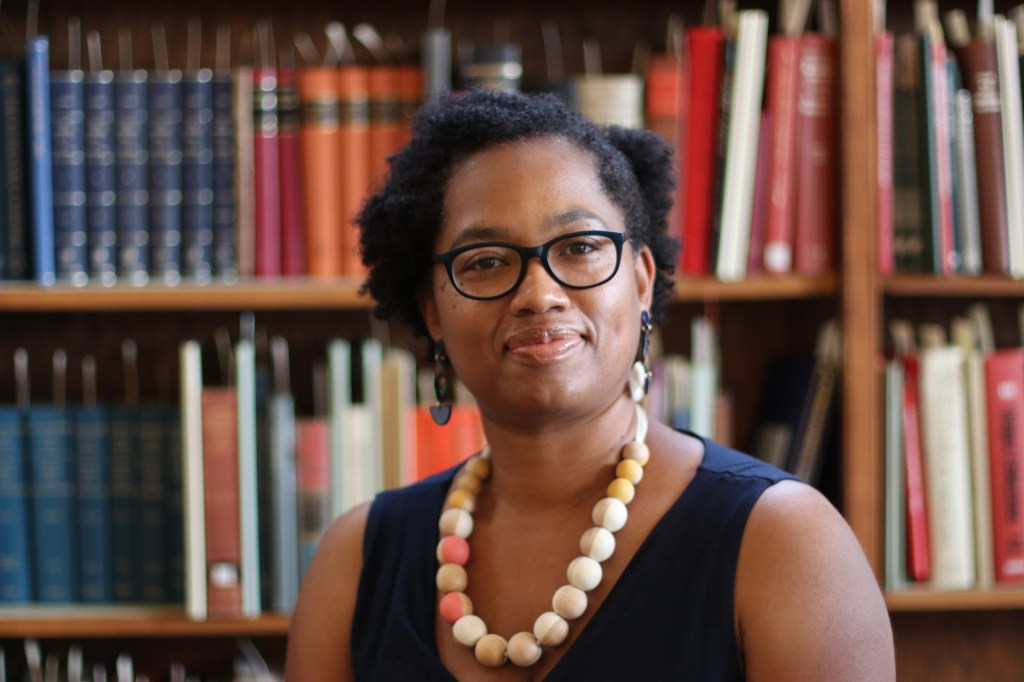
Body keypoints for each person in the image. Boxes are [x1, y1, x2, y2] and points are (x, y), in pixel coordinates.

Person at [285, 89, 895, 680]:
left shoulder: (783, 542)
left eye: (579, 246)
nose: (539, 294)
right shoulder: (356, 559)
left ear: (640, 281)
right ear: (432, 312)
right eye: (487, 261)